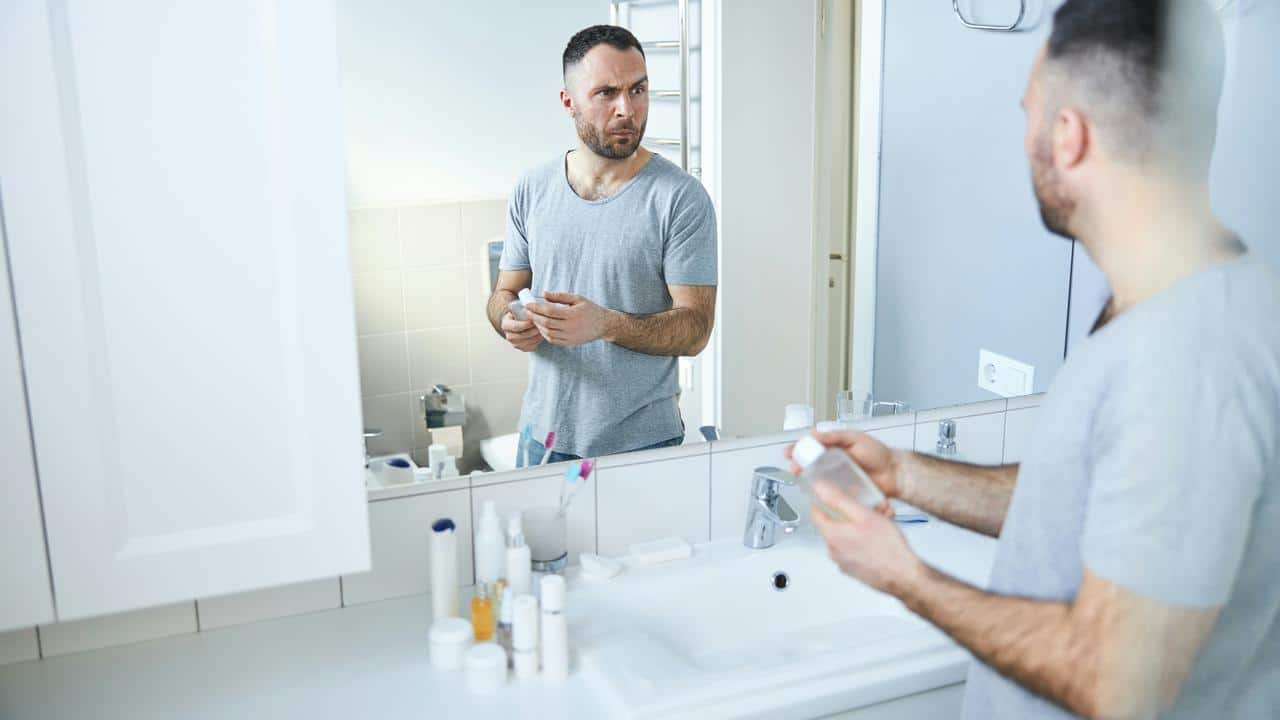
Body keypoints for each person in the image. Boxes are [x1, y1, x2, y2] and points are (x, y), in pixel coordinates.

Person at [791, 1, 1279, 718]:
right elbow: (1086, 499)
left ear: (1069, 136)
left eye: (1027, 113)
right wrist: (905, 474)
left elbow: (1117, 684)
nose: (1022, 138)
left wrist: (904, 576)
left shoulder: (1185, 360)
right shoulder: (1190, 307)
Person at [486, 25, 717, 464]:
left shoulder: (681, 199)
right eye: (606, 93)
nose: (626, 109)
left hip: (642, 446)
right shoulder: (532, 188)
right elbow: (503, 295)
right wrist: (508, 322)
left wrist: (606, 325)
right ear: (568, 102)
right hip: (542, 440)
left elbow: (696, 330)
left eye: (638, 89)